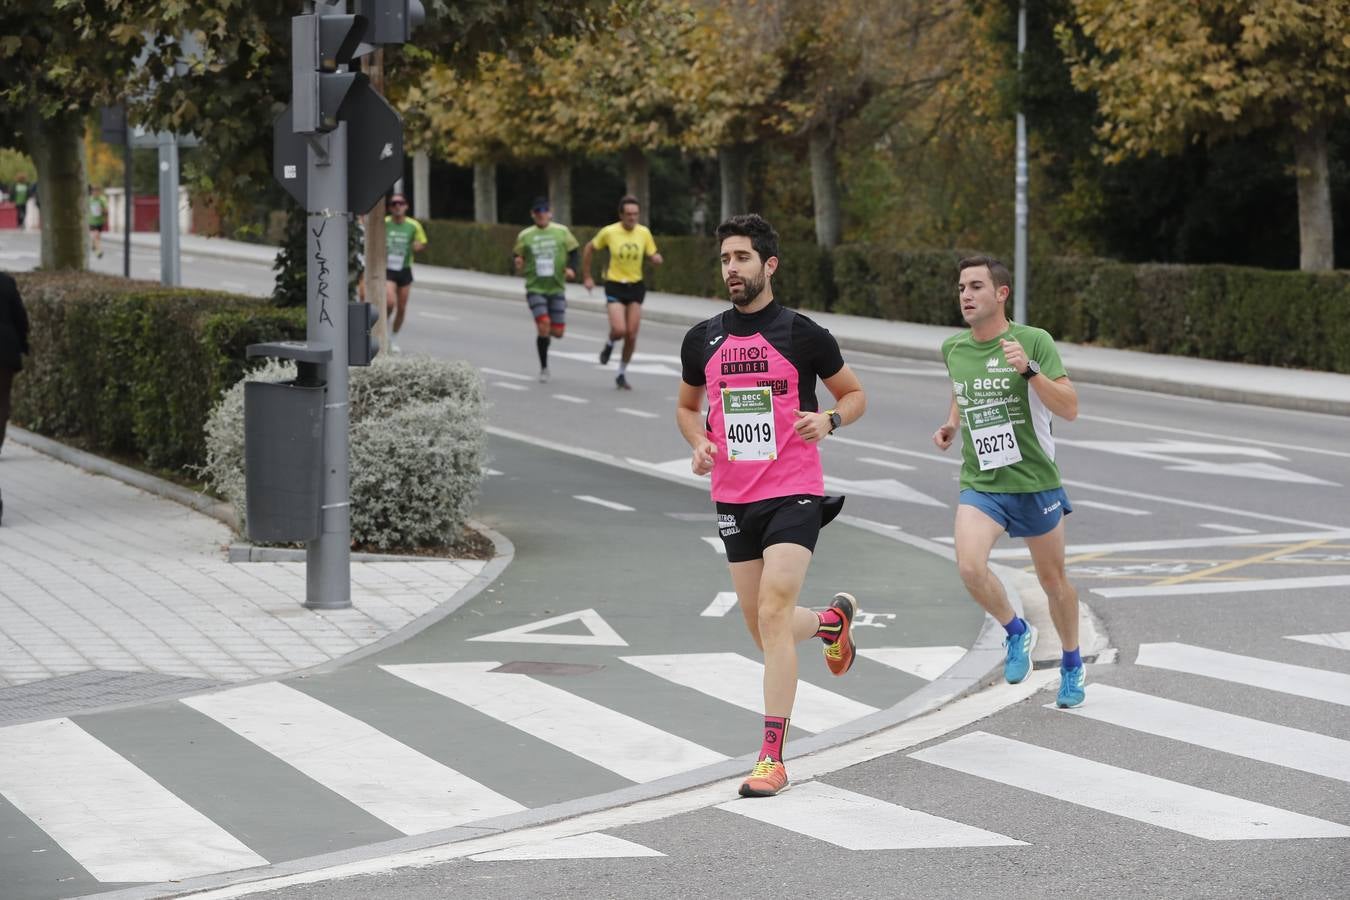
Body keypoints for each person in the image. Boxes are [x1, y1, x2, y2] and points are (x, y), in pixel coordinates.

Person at [676, 214, 866, 798]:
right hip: (734, 495)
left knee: (775, 612)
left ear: (769, 265)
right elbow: (687, 408)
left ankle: (772, 757)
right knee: (765, 628)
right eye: (726, 259)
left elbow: (855, 395)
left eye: (742, 258)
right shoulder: (702, 338)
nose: (732, 268)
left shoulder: (802, 334)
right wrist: (699, 442)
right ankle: (832, 623)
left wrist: (828, 420)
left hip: (794, 489)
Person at [932, 255, 1085, 709]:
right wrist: (951, 423)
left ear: (1001, 294)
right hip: (983, 481)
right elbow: (967, 388)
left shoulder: (1033, 341)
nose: (965, 295)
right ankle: (1016, 632)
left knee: (1053, 581)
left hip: (1034, 481)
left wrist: (1029, 371)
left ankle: (1072, 665)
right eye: (961, 287)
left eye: (976, 286)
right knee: (969, 565)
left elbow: (1070, 408)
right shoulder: (954, 349)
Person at [583, 195, 663, 389]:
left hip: (635, 286)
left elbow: (652, 253)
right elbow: (589, 248)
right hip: (615, 284)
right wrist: (587, 276)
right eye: (628, 214)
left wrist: (655, 258)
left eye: (635, 214)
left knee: (632, 335)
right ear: (621, 215)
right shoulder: (609, 232)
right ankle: (610, 344)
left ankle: (621, 373)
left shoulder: (644, 233)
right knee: (619, 330)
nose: (632, 218)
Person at [513, 197, 579, 383]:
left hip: (556, 287)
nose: (542, 214)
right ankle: (544, 367)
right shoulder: (525, 235)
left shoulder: (561, 231)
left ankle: (547, 333)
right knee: (543, 324)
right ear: (533, 215)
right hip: (535, 287)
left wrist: (572, 269)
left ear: (550, 213)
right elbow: (517, 254)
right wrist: (518, 261)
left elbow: (574, 251)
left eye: (545, 211)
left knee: (557, 333)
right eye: (538, 211)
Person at [384, 193, 427, 353]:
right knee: (389, 303)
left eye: (400, 203)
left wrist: (417, 246)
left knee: (401, 307)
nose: (397, 206)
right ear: (389, 208)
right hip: (388, 269)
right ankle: (383, 329)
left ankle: (392, 339)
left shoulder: (413, 225)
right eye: (394, 204)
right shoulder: (384, 223)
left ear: (406, 206)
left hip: (404, 268)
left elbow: (422, 242)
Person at [0, 271, 31, 457]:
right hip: (5, 350)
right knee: (2, 398)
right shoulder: (6, 282)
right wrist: (22, 343)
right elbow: (20, 317)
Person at [88, 185, 108, 258]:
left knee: (97, 236)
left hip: (100, 221)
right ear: (92, 192)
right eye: (93, 192)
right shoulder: (89, 200)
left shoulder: (102, 199)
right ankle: (98, 251)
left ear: (99, 192)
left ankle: (93, 244)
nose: (95, 193)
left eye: (96, 192)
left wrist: (102, 211)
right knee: (96, 236)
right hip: (92, 221)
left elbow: (106, 210)